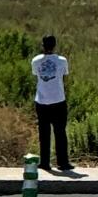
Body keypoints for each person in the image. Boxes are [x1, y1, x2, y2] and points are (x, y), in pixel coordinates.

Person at [31, 34, 73, 173]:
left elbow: (36, 76)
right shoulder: (62, 61)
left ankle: (45, 162)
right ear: (54, 45)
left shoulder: (36, 60)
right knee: (60, 131)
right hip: (58, 99)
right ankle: (63, 162)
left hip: (41, 100)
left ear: (42, 45)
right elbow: (64, 77)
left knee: (44, 132)